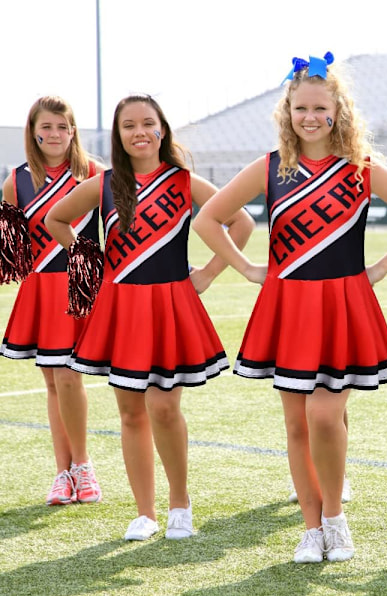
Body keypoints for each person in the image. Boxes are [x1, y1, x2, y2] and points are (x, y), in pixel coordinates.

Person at [194, 52, 387, 563]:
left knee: (326, 415)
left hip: (342, 306)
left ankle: (335, 517)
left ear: (338, 110)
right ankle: (310, 529)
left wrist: (377, 270)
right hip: (289, 304)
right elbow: (209, 219)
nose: (309, 117)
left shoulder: (361, 167)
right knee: (296, 424)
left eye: (319, 108)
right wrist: (246, 269)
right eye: (300, 107)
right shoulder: (270, 168)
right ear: (288, 111)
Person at [45, 94, 254, 541]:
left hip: (171, 304)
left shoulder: (183, 181)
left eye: (147, 122)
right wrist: (91, 263)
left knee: (163, 406)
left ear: (162, 129)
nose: (139, 131)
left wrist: (210, 274)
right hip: (121, 306)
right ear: (119, 136)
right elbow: (55, 219)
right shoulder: (105, 185)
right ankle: (146, 512)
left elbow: (240, 223)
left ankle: (180, 503)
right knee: (130, 412)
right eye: (128, 125)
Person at [0, 96, 103, 506]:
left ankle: (82, 465)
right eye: (46, 127)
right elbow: (12, 246)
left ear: (73, 130)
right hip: (41, 286)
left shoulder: (94, 173)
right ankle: (64, 473)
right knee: (53, 380)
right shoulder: (16, 180)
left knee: (67, 377)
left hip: (80, 284)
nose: (55, 134)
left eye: (63, 127)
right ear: (34, 131)